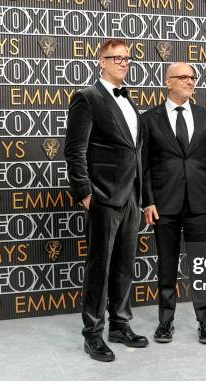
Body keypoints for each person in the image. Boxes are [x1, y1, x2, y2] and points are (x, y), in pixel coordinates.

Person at [64, 39, 148, 362]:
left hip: (130, 198)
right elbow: (74, 151)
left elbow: (133, 151)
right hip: (102, 197)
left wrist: (140, 195)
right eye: (116, 58)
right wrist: (86, 194)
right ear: (101, 61)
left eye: (126, 58)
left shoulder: (129, 101)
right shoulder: (87, 98)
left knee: (125, 266)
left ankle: (120, 325)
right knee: (99, 268)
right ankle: (92, 334)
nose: (123, 63)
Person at [142, 62, 206, 344]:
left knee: (200, 265)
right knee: (166, 265)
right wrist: (148, 202)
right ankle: (165, 323)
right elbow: (143, 166)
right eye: (183, 77)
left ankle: (205, 322)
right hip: (164, 205)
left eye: (193, 78)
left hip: (200, 203)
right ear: (168, 81)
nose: (190, 82)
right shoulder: (150, 118)